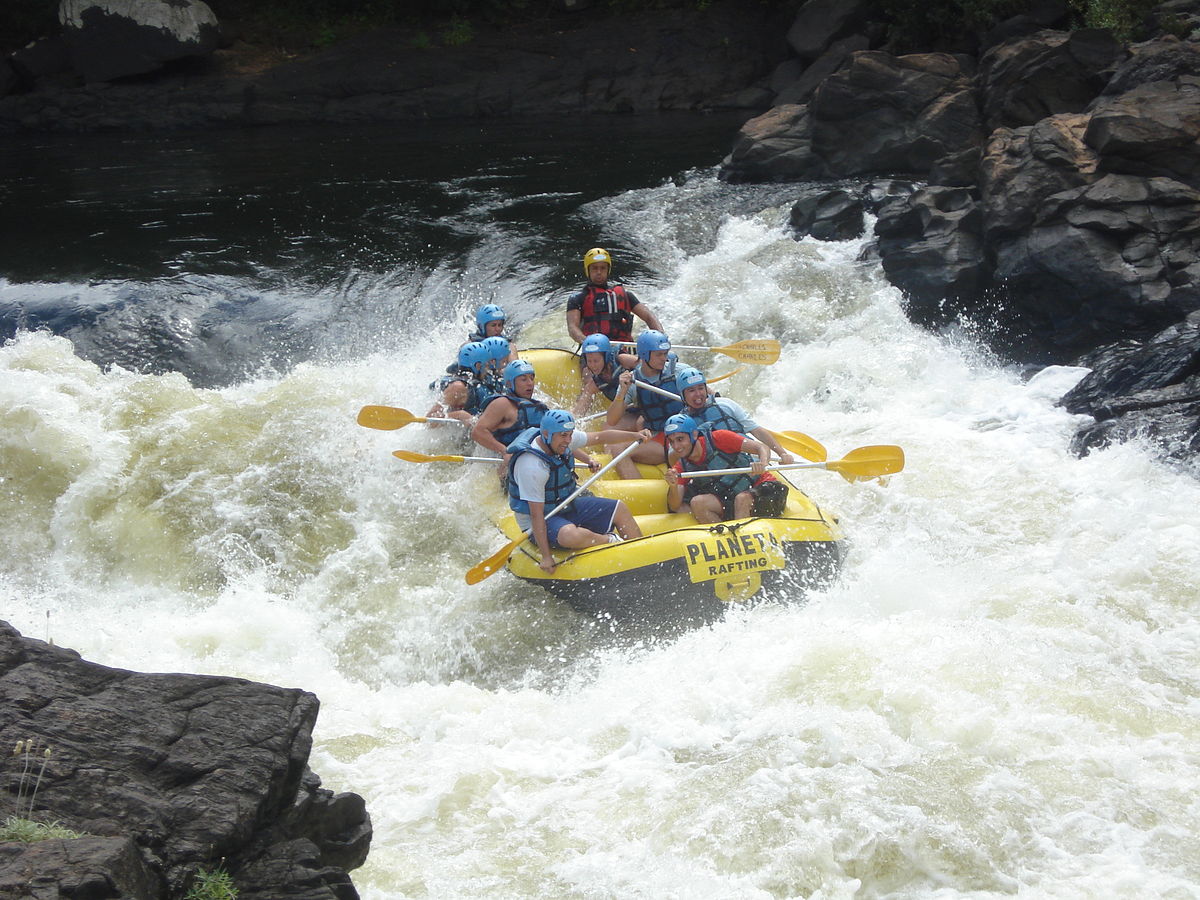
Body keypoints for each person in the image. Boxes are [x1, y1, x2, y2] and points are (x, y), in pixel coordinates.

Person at [507, 409, 647, 573]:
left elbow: (599, 437)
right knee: (569, 535)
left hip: (566, 505)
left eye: (570, 435)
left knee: (620, 508)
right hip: (540, 519)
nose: (568, 440)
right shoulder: (532, 466)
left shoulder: (559, 438)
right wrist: (546, 557)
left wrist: (635, 436)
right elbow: (536, 514)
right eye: (563, 436)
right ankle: (610, 540)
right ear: (546, 434)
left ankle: (643, 558)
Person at [662, 413, 789, 523]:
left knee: (742, 499)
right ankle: (728, 537)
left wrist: (763, 463)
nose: (676, 446)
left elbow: (761, 447)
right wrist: (673, 486)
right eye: (672, 441)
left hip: (766, 488)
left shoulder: (719, 438)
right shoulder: (681, 466)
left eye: (680, 439)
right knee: (697, 503)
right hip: (734, 498)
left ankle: (742, 539)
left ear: (694, 435)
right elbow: (674, 506)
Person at [675, 365, 795, 466]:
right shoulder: (680, 422)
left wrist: (781, 453)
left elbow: (757, 431)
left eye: (701, 388)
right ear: (682, 395)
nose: (698, 394)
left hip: (748, 463)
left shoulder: (725, 404)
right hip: (715, 471)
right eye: (691, 390)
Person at [606, 329, 682, 473]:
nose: (664, 358)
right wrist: (622, 391)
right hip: (661, 437)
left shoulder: (678, 371)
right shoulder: (632, 381)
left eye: (665, 354)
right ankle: (635, 493)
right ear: (645, 355)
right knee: (617, 448)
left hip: (684, 433)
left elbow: (707, 393)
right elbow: (612, 420)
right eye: (658, 354)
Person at [566, 247, 663, 345]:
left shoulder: (626, 295)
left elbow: (649, 317)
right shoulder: (578, 298)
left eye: (603, 268)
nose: (599, 272)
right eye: (594, 268)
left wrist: (661, 337)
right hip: (594, 353)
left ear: (608, 270)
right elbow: (573, 328)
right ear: (588, 270)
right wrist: (588, 343)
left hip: (624, 348)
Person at [471, 358, 549, 458]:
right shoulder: (502, 403)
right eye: (523, 379)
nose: (530, 383)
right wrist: (505, 452)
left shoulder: (539, 406)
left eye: (531, 378)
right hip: (506, 463)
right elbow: (478, 432)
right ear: (509, 384)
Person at [571, 333, 638, 416]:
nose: (593, 365)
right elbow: (578, 412)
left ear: (606, 357)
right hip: (632, 412)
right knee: (608, 427)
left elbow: (647, 368)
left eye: (596, 361)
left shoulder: (621, 359)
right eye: (589, 361)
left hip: (647, 403)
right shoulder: (595, 384)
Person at [428, 341, 494, 425]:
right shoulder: (458, 387)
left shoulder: (478, 381)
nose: (488, 369)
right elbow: (430, 421)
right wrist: (458, 415)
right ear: (478, 366)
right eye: (487, 365)